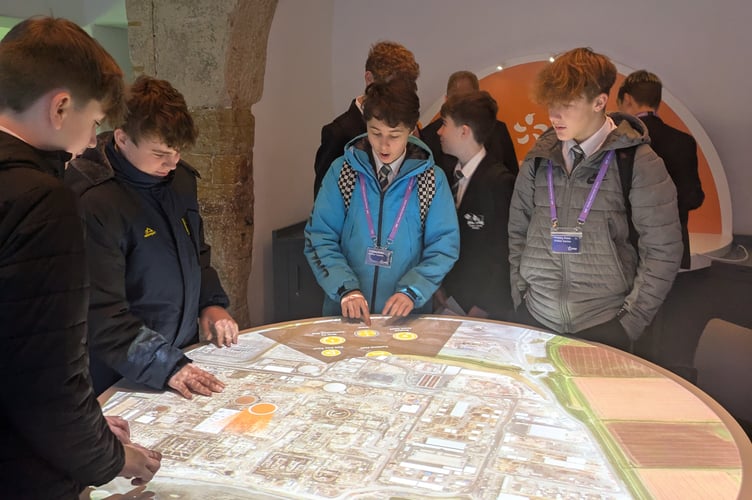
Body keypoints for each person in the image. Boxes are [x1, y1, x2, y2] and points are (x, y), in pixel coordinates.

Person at [0, 16, 161, 498]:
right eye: (93, 123)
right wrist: (109, 457)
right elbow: (46, 380)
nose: (93, 141)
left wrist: (87, 427)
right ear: (61, 106)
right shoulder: (42, 199)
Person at [66, 75, 239, 399]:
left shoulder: (181, 180)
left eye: (177, 152)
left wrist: (210, 303)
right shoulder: (94, 201)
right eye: (160, 153)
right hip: (118, 373)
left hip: (180, 354)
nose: (171, 163)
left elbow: (197, 254)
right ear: (122, 138)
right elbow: (101, 313)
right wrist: (166, 365)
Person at [508, 47, 682, 351]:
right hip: (536, 316)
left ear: (600, 102)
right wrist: (520, 295)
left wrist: (629, 324)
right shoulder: (538, 159)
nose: (553, 115)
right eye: (551, 104)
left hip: (604, 323)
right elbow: (517, 232)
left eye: (567, 104)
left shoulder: (637, 161)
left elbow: (662, 250)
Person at [305, 78, 459, 325]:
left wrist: (413, 290)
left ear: (411, 131)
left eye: (394, 135)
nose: (384, 145)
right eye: (375, 133)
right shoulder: (343, 172)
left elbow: (444, 246)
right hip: (347, 313)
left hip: (406, 318)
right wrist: (345, 288)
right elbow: (320, 237)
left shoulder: (431, 180)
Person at [434, 90, 515, 319]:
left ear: (463, 131)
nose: (439, 132)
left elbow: (504, 253)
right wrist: (438, 285)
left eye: (444, 124)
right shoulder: (447, 176)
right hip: (447, 299)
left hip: (482, 310)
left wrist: (485, 306)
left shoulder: (499, 183)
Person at [617, 70, 704, 269]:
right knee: (678, 298)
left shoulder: (618, 144)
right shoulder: (684, 141)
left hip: (627, 248)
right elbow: (694, 197)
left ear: (627, 100)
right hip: (674, 243)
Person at [313, 40, 420, 198]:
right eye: (391, 89)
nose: (399, 98)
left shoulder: (411, 127)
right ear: (369, 79)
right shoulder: (339, 133)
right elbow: (324, 199)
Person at [420, 70, 518, 177]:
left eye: (466, 100)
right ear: (446, 99)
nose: (461, 106)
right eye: (455, 100)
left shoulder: (498, 130)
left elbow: (513, 176)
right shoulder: (429, 135)